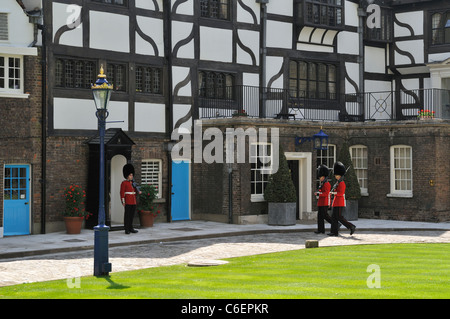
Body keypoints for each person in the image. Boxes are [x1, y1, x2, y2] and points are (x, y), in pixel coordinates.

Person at [328, 161, 356, 236]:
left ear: (340, 175)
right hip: (335, 202)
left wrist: (333, 193)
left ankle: (351, 226)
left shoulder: (342, 183)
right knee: (334, 217)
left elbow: (341, 193)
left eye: (337, 175)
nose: (335, 176)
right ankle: (334, 232)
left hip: (339, 202)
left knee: (339, 217)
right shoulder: (337, 183)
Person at [120, 164, 141, 234]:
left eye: (132, 175)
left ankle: (131, 227)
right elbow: (122, 193)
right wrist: (123, 201)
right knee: (127, 216)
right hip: (128, 201)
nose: (132, 176)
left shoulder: (133, 183)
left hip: (133, 201)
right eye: (130, 175)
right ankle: (126, 229)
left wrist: (138, 191)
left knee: (132, 215)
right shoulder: (124, 183)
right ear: (127, 176)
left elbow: (135, 191)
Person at [314, 164, 332, 234]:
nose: (320, 178)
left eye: (321, 177)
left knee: (325, 216)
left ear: (324, 176)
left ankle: (335, 224)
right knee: (320, 217)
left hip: (325, 202)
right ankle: (321, 230)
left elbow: (326, 194)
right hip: (321, 202)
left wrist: (319, 194)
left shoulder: (327, 184)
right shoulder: (322, 184)